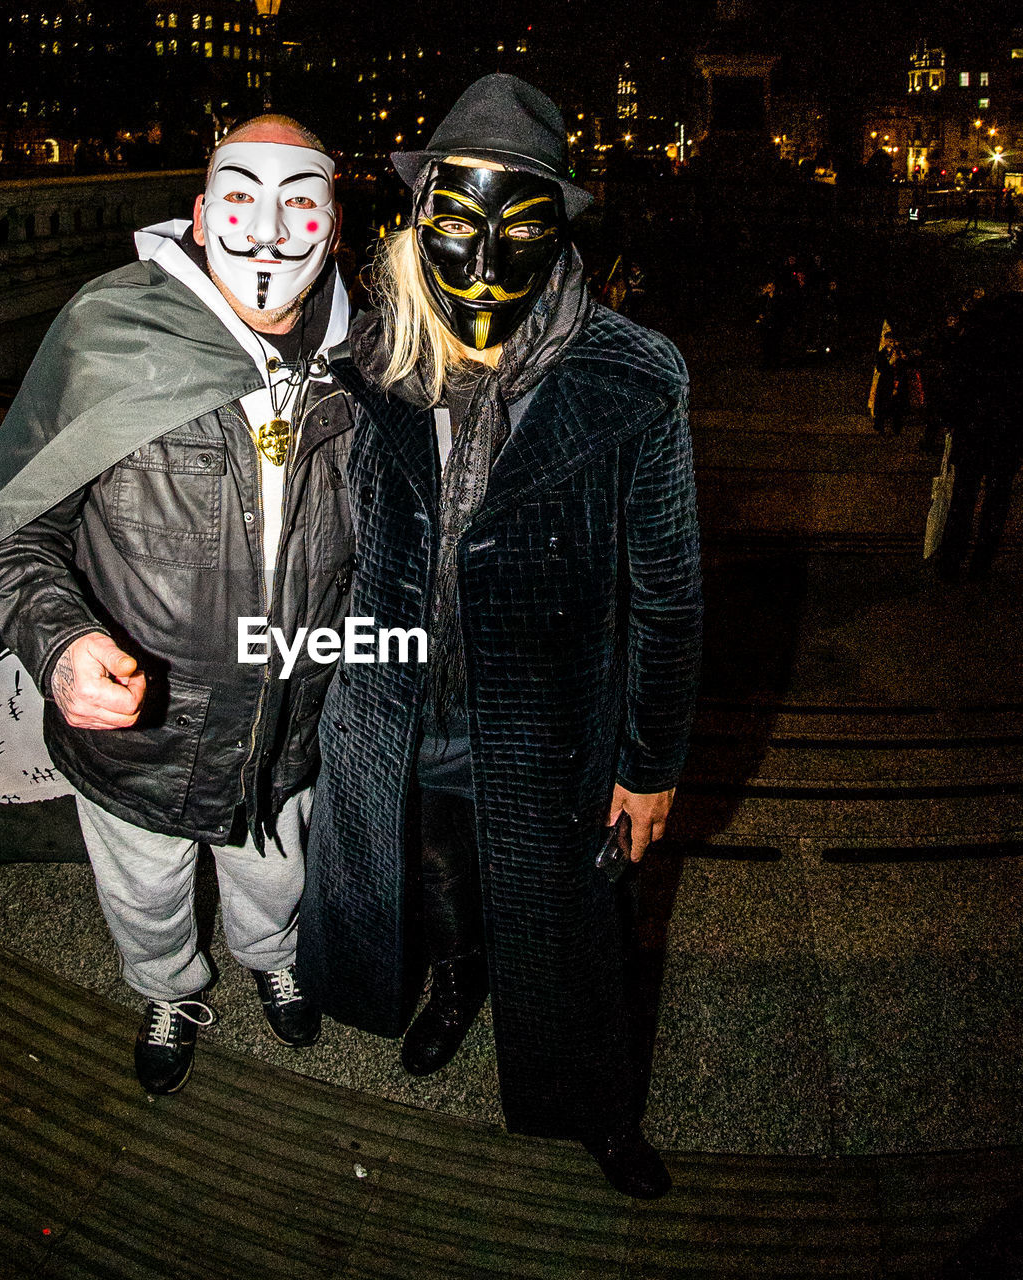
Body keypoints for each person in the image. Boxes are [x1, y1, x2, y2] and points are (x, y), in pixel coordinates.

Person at [299, 76, 703, 1199]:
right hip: (400, 701)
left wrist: (649, 759)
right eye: (456, 226)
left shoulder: (631, 377)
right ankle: (452, 982)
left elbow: (667, 590)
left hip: (548, 719)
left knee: (575, 924)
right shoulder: (374, 358)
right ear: (417, 214)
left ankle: (599, 1102)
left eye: (519, 227)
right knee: (435, 873)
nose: (481, 262)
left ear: (562, 230)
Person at [0, 116, 355, 1096]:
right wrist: (63, 641)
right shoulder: (109, 331)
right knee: (146, 887)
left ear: (333, 223)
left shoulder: (369, 360)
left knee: (273, 871)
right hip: (143, 734)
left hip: (290, 724)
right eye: (241, 197)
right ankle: (168, 987)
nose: (271, 229)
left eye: (300, 201)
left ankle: (270, 954)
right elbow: (18, 527)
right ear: (200, 216)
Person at [935, 291, 1023, 581]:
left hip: (973, 429)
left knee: (963, 495)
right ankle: (981, 562)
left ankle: (951, 558)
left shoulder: (973, 342)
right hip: (1007, 433)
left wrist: (951, 420)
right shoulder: (1016, 347)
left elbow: (955, 382)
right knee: (997, 499)